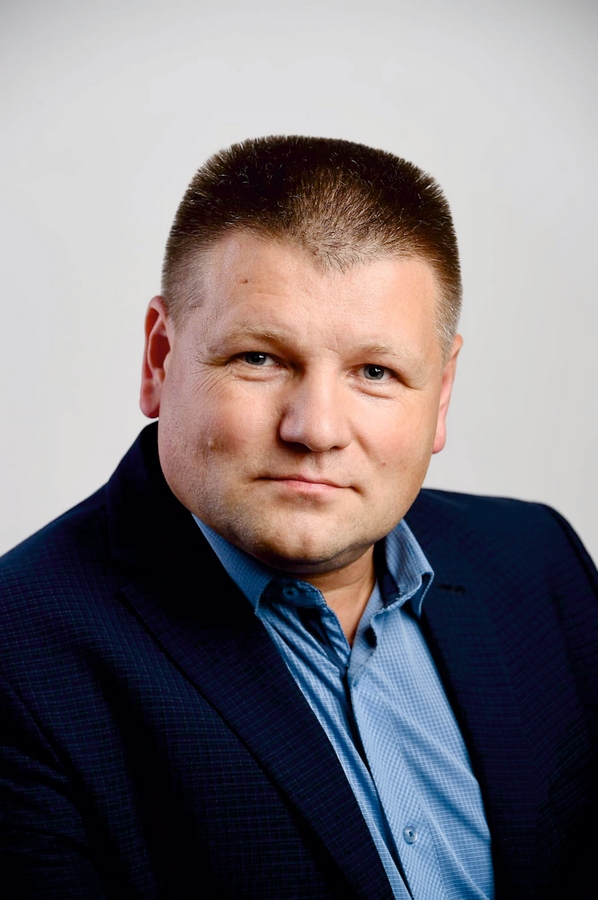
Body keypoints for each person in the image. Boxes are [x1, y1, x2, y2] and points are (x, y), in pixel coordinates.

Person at [0, 136, 596, 900]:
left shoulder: (540, 563)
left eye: (375, 371)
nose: (315, 429)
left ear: (441, 392)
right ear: (159, 358)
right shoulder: (18, 661)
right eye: (259, 358)